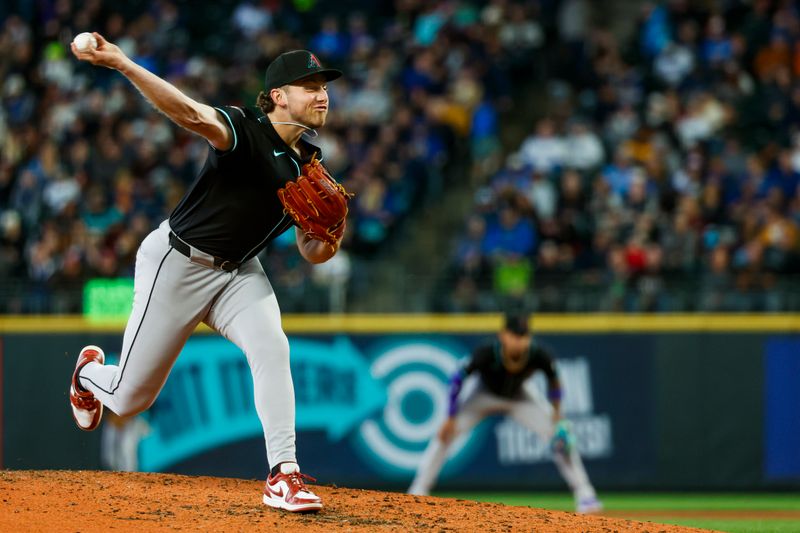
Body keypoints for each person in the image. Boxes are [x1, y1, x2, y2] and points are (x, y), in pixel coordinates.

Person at [68, 33, 346, 513]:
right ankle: (89, 375)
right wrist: (122, 63)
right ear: (278, 96)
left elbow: (310, 252)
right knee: (130, 398)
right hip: (177, 263)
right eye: (308, 85)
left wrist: (328, 237)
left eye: (323, 85)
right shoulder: (244, 126)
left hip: (239, 273)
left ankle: (284, 474)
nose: (321, 94)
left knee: (273, 347)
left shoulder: (309, 163)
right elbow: (192, 114)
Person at [408, 313, 603, 514]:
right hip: (483, 395)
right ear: (503, 335)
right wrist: (449, 417)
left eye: (524, 335)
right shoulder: (486, 352)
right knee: (444, 435)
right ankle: (419, 489)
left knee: (560, 436)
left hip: (520, 396)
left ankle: (585, 494)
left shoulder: (538, 354)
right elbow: (457, 379)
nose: (520, 340)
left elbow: (554, 381)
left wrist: (557, 415)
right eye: (515, 335)